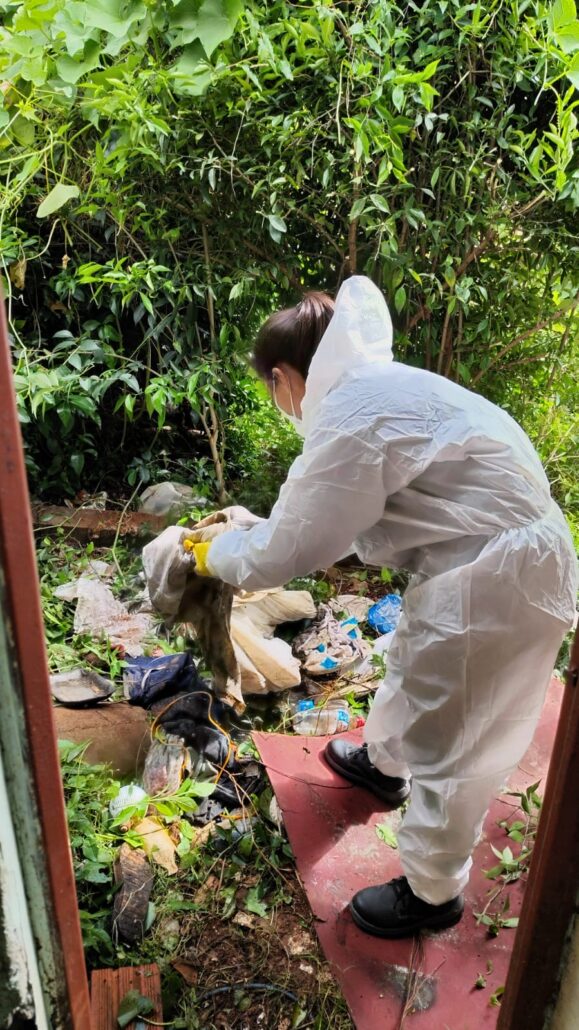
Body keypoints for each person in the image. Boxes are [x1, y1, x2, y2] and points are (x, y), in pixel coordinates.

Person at [191, 275, 577, 938]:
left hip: (498, 578)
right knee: (415, 665)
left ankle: (431, 894)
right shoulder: (376, 388)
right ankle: (383, 764)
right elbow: (324, 521)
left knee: (455, 737)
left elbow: (284, 551)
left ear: (283, 375)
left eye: (270, 389)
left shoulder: (352, 415)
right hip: (487, 562)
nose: (276, 400)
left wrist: (211, 554)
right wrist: (256, 536)